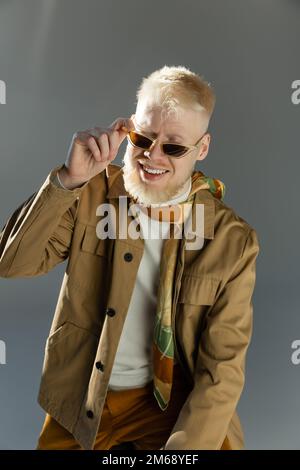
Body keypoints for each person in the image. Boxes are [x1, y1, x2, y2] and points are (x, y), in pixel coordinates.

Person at [0, 65, 259, 450]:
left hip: (169, 402)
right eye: (143, 138)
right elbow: (12, 263)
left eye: (173, 146)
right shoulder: (90, 193)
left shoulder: (232, 241)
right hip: (85, 397)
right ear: (127, 129)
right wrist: (68, 180)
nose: (152, 156)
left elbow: (221, 372)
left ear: (201, 148)